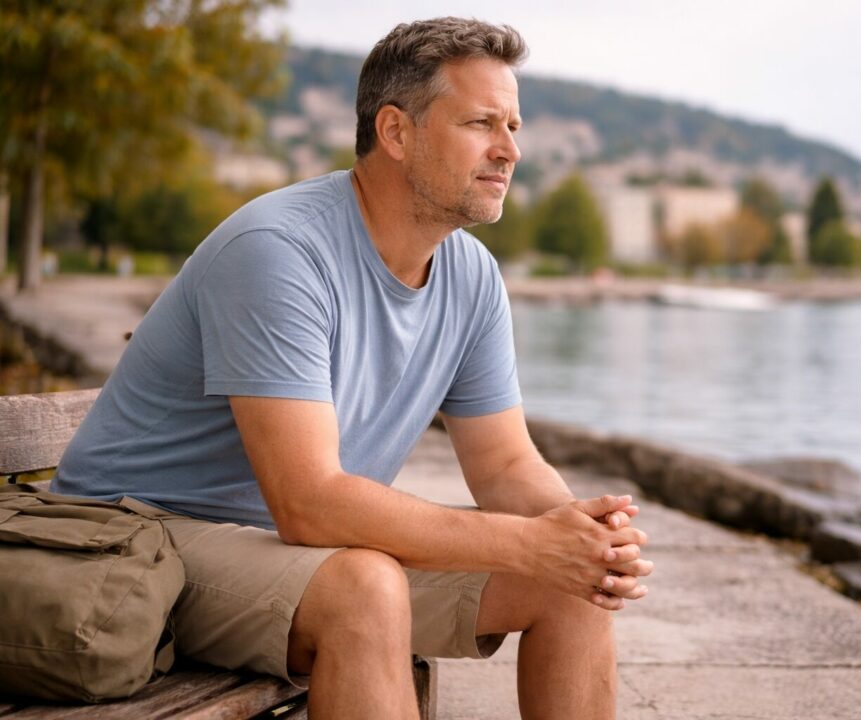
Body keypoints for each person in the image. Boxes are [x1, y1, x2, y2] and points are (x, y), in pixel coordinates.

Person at [53, 16, 653, 720]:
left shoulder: (472, 276)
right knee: (363, 588)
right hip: (137, 547)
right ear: (395, 132)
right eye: (481, 123)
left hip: (288, 553)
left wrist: (581, 533)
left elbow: (505, 465)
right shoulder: (279, 251)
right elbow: (308, 501)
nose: (509, 150)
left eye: (513, 126)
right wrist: (529, 542)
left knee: (575, 580)